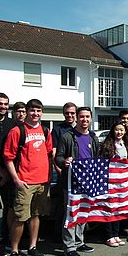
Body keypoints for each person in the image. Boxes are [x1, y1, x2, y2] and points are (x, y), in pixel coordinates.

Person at [4, 99, 53, 256]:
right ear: (27, 111)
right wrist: (16, 179)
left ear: (41, 112)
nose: (35, 114)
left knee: (35, 215)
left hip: (42, 182)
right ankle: (14, 251)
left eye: (38, 111)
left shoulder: (45, 131)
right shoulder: (17, 131)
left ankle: (33, 247)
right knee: (19, 217)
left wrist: (49, 176)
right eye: (32, 110)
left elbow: (48, 155)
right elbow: (8, 158)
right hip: (25, 182)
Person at [55, 107, 98, 256]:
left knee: (83, 214)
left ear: (91, 119)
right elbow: (58, 157)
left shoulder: (93, 137)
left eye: (87, 117)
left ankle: (80, 242)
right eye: (81, 117)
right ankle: (69, 246)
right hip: (71, 183)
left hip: (87, 182)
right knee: (70, 215)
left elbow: (96, 158)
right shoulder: (67, 136)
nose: (84, 120)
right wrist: (65, 161)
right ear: (77, 118)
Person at [99, 121, 128, 247]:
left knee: (119, 208)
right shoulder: (107, 145)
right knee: (110, 208)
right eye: (117, 130)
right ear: (113, 131)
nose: (119, 132)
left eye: (122, 130)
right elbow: (102, 160)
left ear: (125, 132)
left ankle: (116, 234)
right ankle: (109, 236)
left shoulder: (127, 145)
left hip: (122, 182)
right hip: (110, 181)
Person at [0, 93, 16, 256]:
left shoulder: (12, 124)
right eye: (0, 104)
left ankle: (9, 239)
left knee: (11, 208)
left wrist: (10, 174)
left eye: (6, 104)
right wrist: (1, 172)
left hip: (9, 174)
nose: (3, 107)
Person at [51, 102, 77, 242]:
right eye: (67, 113)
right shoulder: (57, 129)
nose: (70, 115)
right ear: (63, 113)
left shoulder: (80, 128)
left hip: (78, 175)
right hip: (64, 173)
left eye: (72, 113)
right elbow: (54, 152)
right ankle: (58, 234)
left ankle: (77, 236)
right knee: (63, 206)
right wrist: (58, 168)